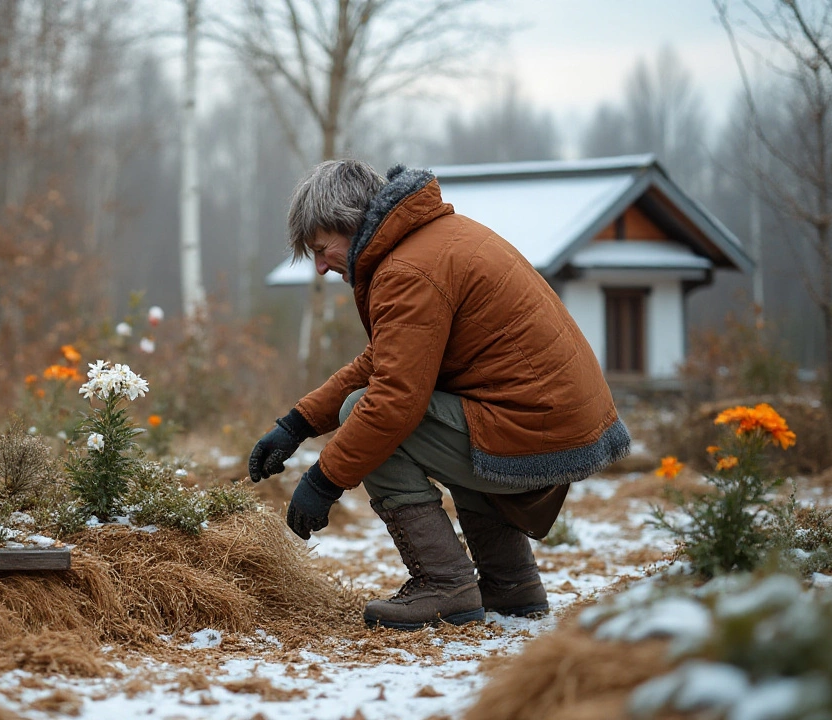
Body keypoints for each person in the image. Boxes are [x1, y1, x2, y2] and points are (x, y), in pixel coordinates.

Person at [249, 160, 630, 630]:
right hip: (555, 423)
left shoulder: (407, 268)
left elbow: (393, 400)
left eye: (323, 250)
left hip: (537, 430)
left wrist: (323, 481)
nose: (322, 267)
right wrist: (297, 425)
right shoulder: (429, 241)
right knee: (444, 415)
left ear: (350, 222)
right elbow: (382, 362)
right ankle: (511, 583)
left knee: (364, 413)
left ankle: (443, 583)